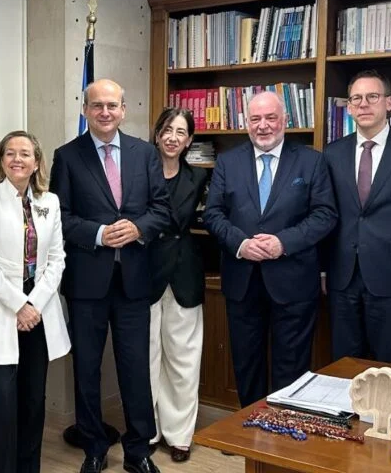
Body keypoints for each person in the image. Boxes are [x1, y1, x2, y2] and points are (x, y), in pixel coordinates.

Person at [50, 79, 170, 473]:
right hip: (87, 282)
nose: (105, 112)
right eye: (97, 105)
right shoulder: (67, 156)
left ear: (123, 110)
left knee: (135, 368)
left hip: (134, 281)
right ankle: (94, 447)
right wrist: (99, 234)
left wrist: (138, 228)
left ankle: (138, 451)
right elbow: (59, 217)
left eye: (112, 105)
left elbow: (161, 210)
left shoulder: (144, 153)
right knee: (86, 368)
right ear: (85, 109)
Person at [203, 91, 337, 408]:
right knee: (246, 363)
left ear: (285, 120)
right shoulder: (228, 162)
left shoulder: (311, 160)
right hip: (242, 281)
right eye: (255, 119)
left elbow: (325, 215)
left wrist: (283, 243)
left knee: (291, 366)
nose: (263, 126)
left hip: (294, 282)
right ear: (246, 123)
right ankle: (249, 425)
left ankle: (283, 427)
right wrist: (241, 244)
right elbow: (213, 214)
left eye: (270, 118)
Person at [0, 131, 70, 473]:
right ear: (1, 160)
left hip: (39, 309)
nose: (17, 159)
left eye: (24, 153)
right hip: (1, 306)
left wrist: (33, 304)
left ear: (36, 162)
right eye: (10, 153)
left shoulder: (50, 201)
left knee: (34, 398)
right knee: (4, 399)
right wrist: (19, 306)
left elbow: (57, 259)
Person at [323, 70, 391, 364]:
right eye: (356, 98)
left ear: (389, 103)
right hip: (342, 279)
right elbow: (326, 215)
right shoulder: (332, 154)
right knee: (344, 365)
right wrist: (321, 270)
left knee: (390, 367)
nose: (363, 104)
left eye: (372, 97)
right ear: (349, 107)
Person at [147, 108, 208, 463]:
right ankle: (148, 429)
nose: (173, 137)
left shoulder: (199, 176)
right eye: (167, 130)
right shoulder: (139, 171)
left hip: (184, 273)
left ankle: (180, 435)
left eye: (181, 132)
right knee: (146, 357)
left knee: (184, 360)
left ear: (189, 141)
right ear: (157, 134)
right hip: (145, 273)